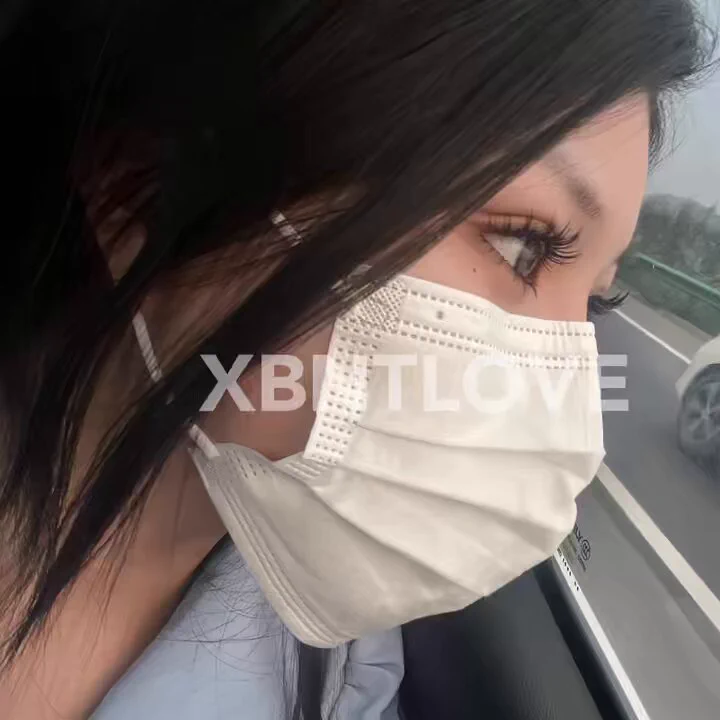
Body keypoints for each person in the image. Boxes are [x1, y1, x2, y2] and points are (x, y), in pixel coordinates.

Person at [0, 1, 711, 718]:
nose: (566, 401)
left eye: (595, 303)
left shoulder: (344, 680)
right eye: (523, 244)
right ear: (143, 178)